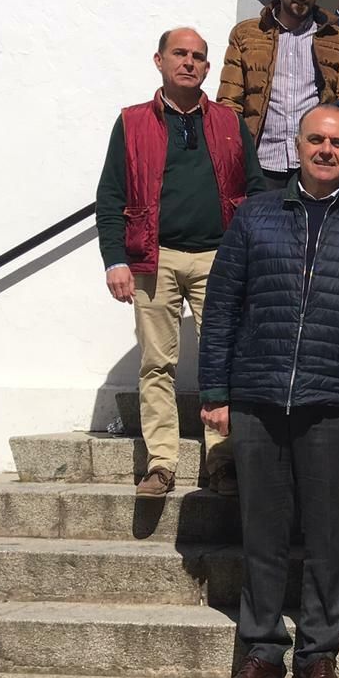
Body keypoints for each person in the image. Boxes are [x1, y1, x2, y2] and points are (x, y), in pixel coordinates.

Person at [202, 103, 339, 678]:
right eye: (316, 139)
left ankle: (318, 656)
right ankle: (260, 652)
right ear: (297, 145)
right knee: (261, 531)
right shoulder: (255, 217)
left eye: (338, 143)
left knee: (327, 533)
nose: (326, 150)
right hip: (259, 396)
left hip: (334, 401)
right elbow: (222, 306)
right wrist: (215, 392)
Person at [96, 27, 266, 498]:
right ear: (159, 60)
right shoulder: (131, 123)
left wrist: (251, 253)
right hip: (155, 257)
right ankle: (162, 463)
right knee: (156, 363)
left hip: (221, 256)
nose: (189, 62)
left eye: (198, 57)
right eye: (180, 54)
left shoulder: (230, 123)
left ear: (208, 68)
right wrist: (115, 259)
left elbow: (253, 188)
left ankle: (222, 462)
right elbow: (110, 195)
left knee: (227, 359)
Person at [218, 0, 339, 188]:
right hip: (261, 164)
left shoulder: (336, 39)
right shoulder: (247, 35)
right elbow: (229, 105)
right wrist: (236, 155)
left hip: (314, 166)